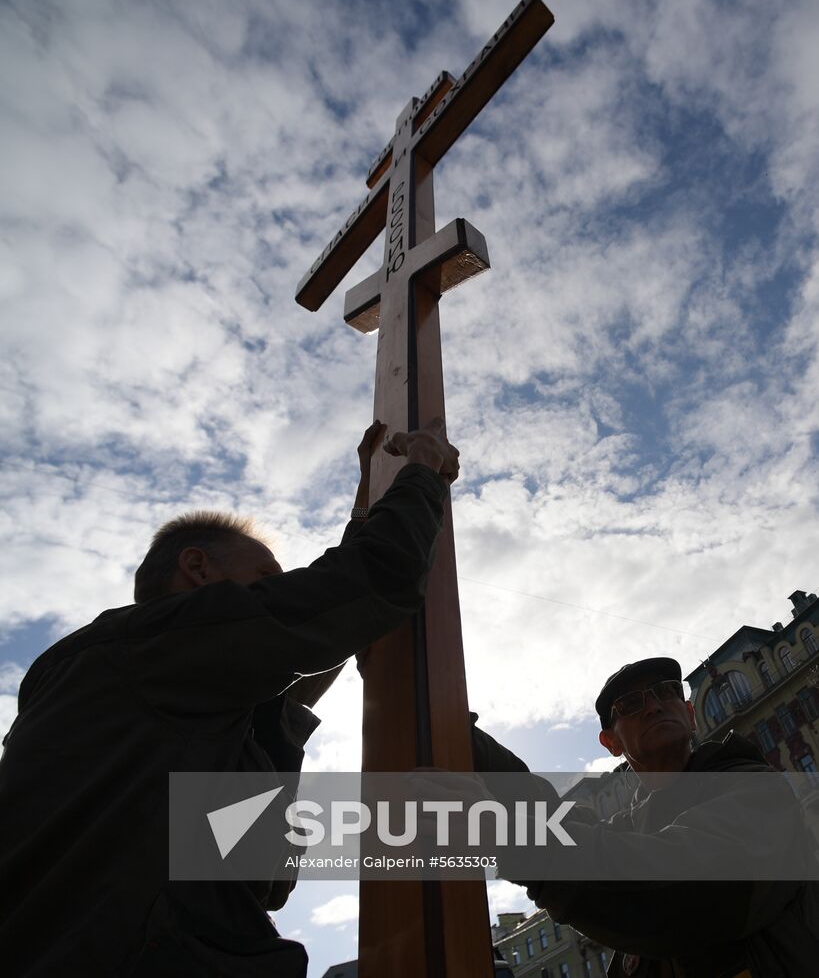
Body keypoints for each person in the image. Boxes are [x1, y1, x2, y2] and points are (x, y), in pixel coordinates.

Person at [0, 417, 459, 978]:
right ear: (197, 568)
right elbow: (363, 586)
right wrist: (420, 470)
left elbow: (324, 633)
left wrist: (369, 501)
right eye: (265, 576)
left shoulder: (151, 708)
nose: (277, 588)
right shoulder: (147, 645)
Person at [471, 656, 819, 977]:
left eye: (665, 692)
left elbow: (678, 886)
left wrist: (511, 841)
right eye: (630, 705)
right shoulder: (631, 828)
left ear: (690, 714)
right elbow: (546, 817)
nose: (653, 706)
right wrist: (462, 737)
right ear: (610, 743)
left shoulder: (754, 789)